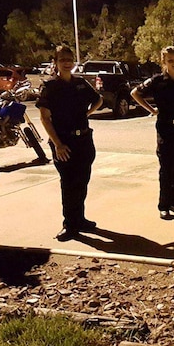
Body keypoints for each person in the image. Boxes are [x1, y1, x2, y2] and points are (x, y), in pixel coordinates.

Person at [37, 45, 103, 241]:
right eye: (62, 59)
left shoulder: (80, 84)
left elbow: (98, 99)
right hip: (63, 143)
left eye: (69, 59)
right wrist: (58, 144)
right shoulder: (49, 87)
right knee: (68, 184)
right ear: (56, 62)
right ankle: (69, 225)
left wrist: (88, 113)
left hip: (83, 140)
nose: (67, 63)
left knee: (82, 182)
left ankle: (80, 219)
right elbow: (45, 118)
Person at [131, 46, 174, 220]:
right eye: (170, 60)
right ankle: (164, 205)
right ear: (163, 61)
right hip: (165, 128)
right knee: (166, 168)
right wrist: (151, 109)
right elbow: (135, 93)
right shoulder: (157, 81)